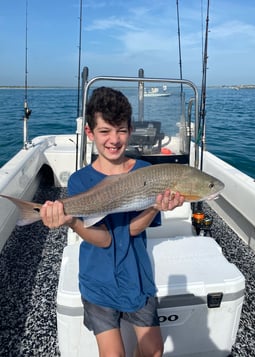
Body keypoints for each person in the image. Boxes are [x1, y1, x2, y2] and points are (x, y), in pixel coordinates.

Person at [40, 87, 185, 357]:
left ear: (130, 129)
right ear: (89, 132)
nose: (114, 140)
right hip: (98, 277)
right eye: (105, 131)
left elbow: (133, 229)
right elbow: (104, 238)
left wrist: (154, 205)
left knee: (155, 350)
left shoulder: (146, 172)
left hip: (137, 275)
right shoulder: (80, 181)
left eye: (120, 130)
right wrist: (71, 221)